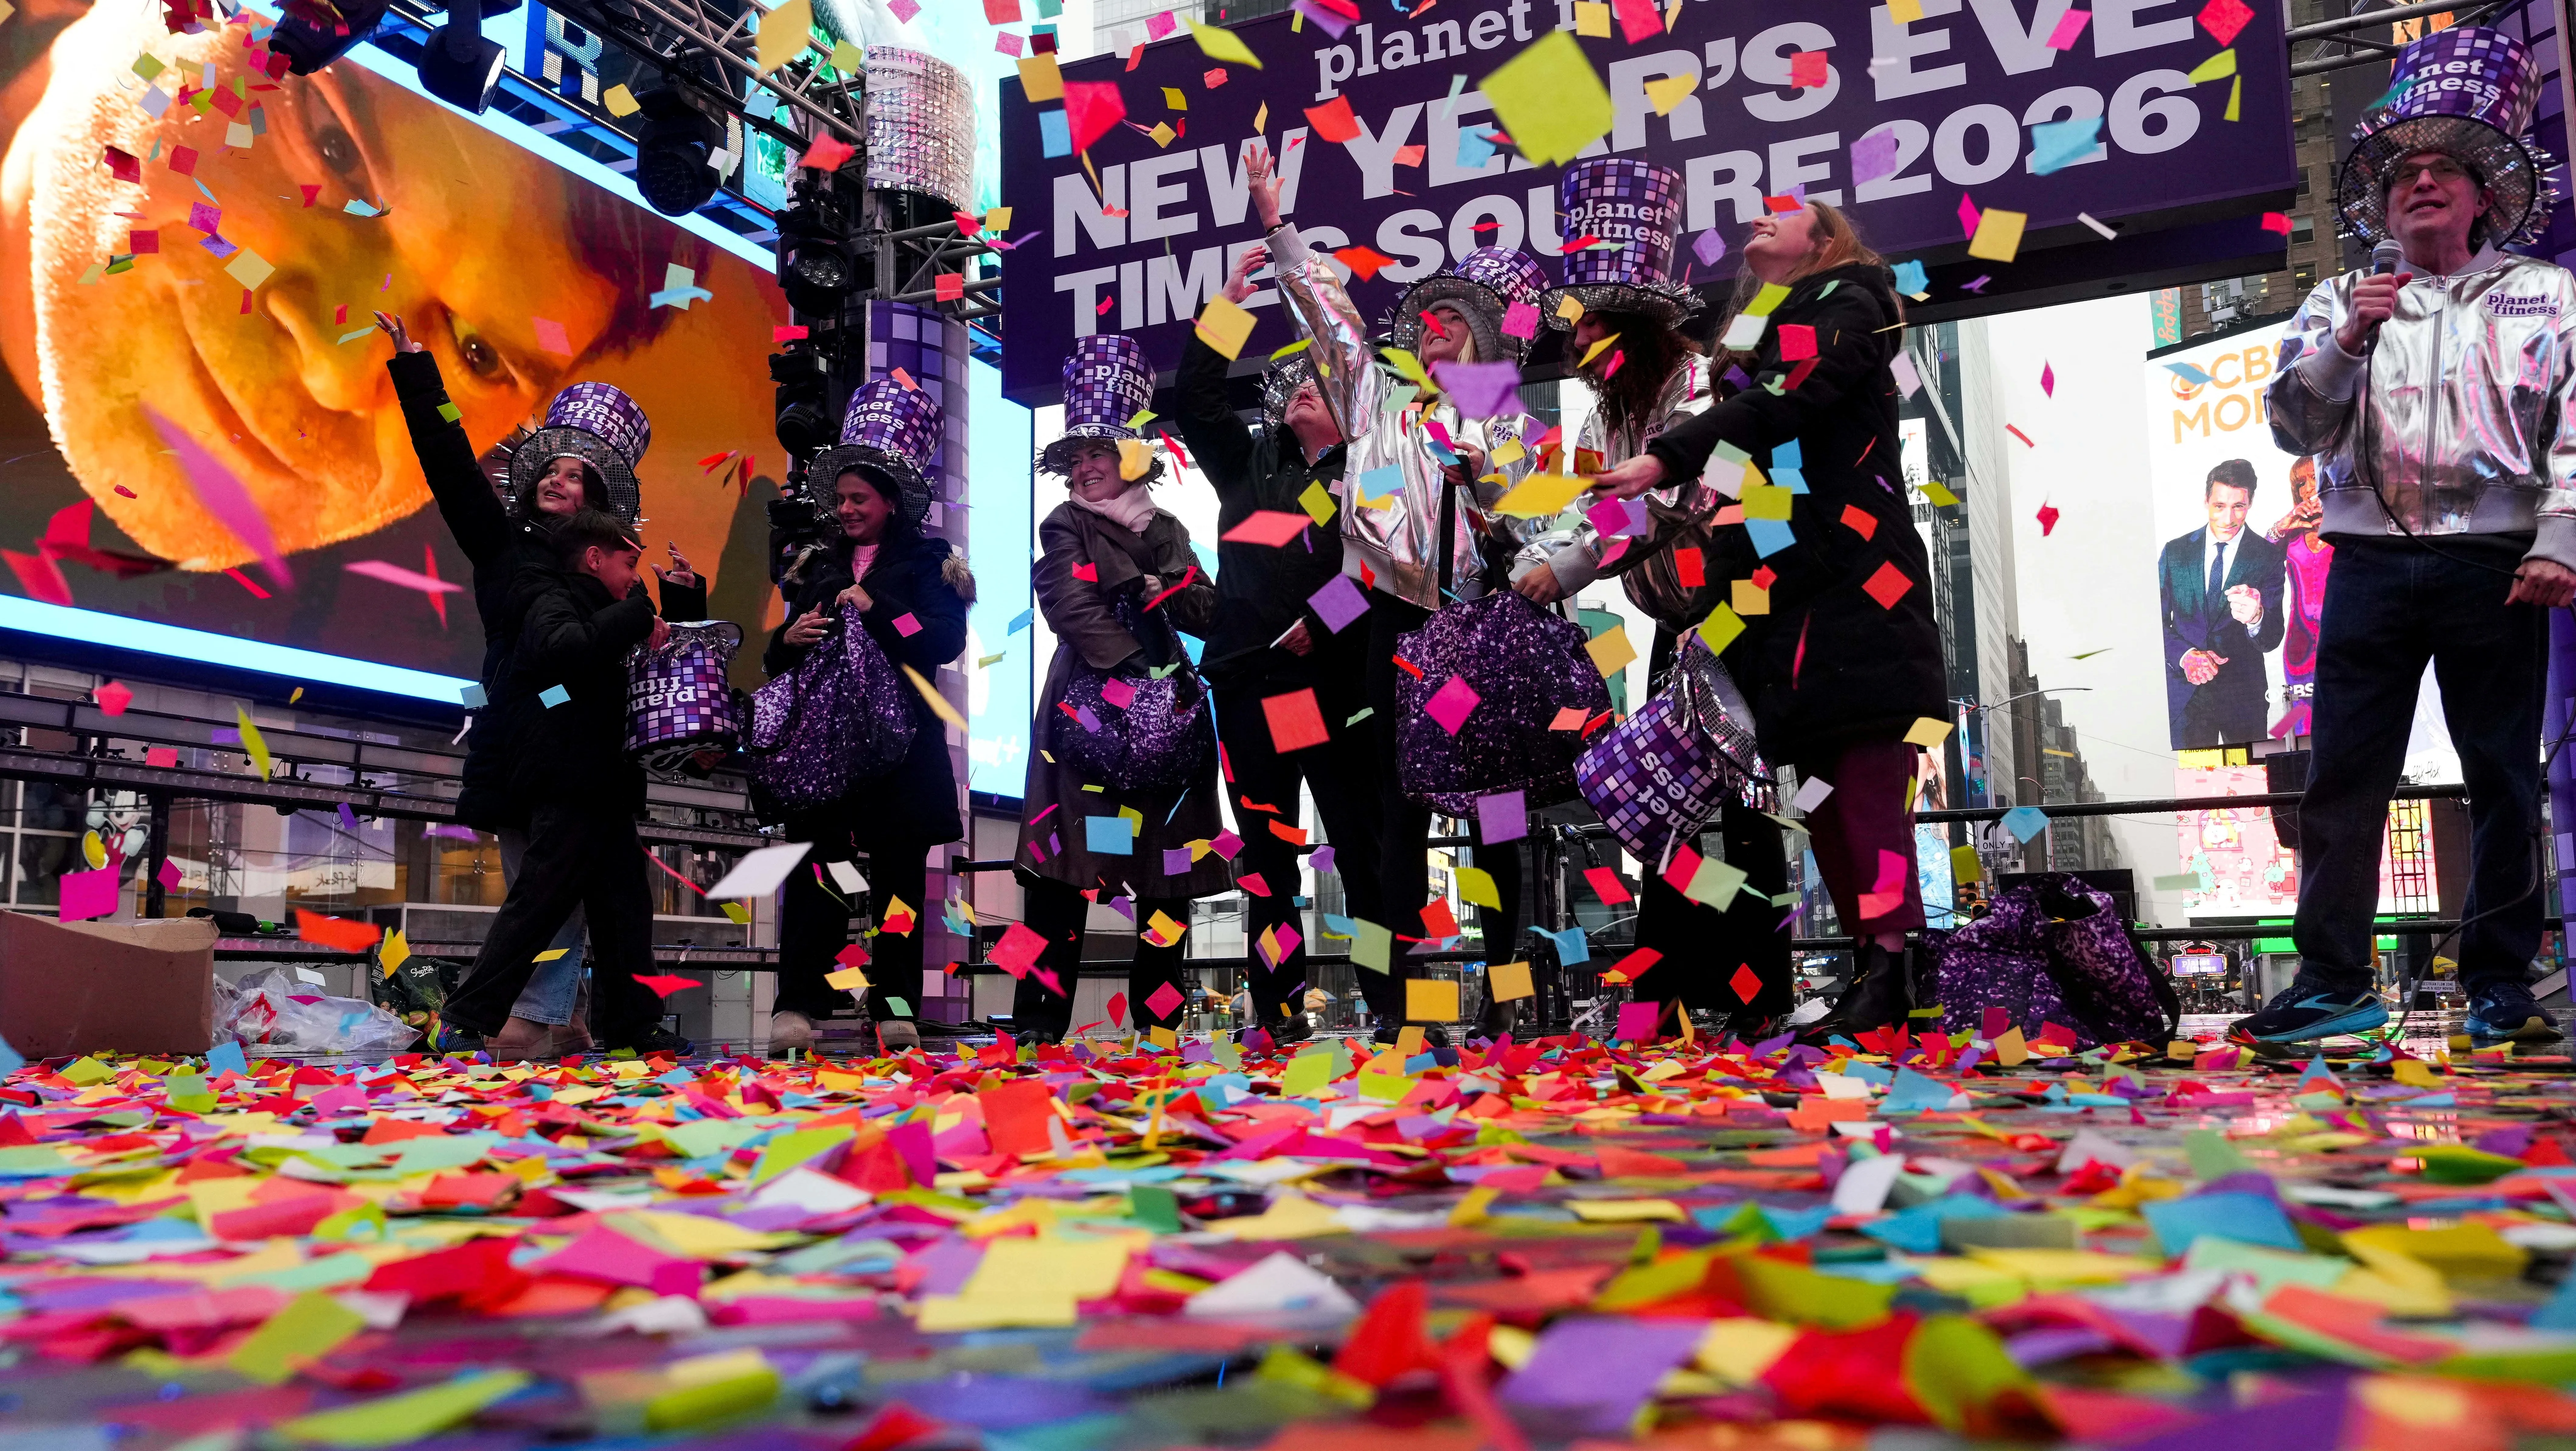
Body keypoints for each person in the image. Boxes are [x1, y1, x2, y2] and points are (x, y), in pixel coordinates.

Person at [2244, 24, 2576, 1048]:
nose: (2420, 184)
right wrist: (2348, 341)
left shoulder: (2546, 296)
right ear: (2380, 207)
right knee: (2342, 775)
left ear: (2482, 196)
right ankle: (2334, 980)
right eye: (2402, 175)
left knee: (2499, 776)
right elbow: (2291, 426)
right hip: (2367, 567)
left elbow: (2571, 422)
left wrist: (2557, 535)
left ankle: (2499, 987)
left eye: (2443, 171)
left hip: (2495, 566)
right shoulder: (2337, 300)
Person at [1589, 194, 1946, 1043]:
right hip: (1788, 603)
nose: (1757, 218)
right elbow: (1741, 459)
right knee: (1823, 793)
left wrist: (1661, 459)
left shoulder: (1850, 302)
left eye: (1781, 212)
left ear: (1823, 240)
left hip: (1857, 590)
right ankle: (1875, 973)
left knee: (1864, 787)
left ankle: (1894, 967)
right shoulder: (1753, 329)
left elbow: (1781, 408)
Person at [1250, 147, 1549, 1041]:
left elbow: (1542, 534)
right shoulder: (1379, 408)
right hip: (1398, 638)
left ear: (1488, 336)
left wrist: (1496, 494)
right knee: (1396, 821)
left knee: (1497, 820)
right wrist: (1277, 225)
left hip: (1482, 637)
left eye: (1450, 321)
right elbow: (1371, 563)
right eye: (1423, 322)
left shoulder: (1514, 425)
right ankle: (1402, 1013)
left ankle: (1508, 1004)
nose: (1431, 331)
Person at [1505, 158, 1793, 1042]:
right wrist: (1529, 550)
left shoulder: (1702, 389)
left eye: (1592, 334)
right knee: (1660, 809)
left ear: (1632, 333)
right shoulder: (1601, 417)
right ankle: (1664, 999)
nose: (1579, 353)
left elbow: (1674, 501)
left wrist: (1573, 563)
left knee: (1743, 820)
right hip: (1672, 635)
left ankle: (1756, 998)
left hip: (1741, 615)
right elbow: (1585, 508)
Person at [381, 312, 699, 1058]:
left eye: (578, 477)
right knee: (545, 893)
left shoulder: (593, 569)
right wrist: (419, 373)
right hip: (533, 744)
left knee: (616, 896)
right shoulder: (503, 548)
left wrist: (674, 605)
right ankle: (513, 1016)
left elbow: (641, 655)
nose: (561, 478)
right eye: (552, 470)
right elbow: (452, 465)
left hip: (595, 755)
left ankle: (614, 1021)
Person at [1169, 244, 1377, 1047]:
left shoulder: (1371, 470)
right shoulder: (1249, 464)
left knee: (1357, 846)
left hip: (1324, 684)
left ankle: (1388, 1001)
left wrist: (1321, 618)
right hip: (1247, 685)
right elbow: (1194, 400)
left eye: (1312, 386)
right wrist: (1225, 309)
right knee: (1267, 855)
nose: (1295, 395)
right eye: (1288, 385)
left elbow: (1385, 565)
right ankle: (1276, 1008)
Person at [1011, 336, 1228, 1043]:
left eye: (1096, 455)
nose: (1082, 468)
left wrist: (1167, 589)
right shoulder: (1062, 523)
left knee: (1167, 873)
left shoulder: (1168, 530)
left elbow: (1206, 610)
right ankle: (1036, 1027)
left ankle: (1159, 1024)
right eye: (1075, 459)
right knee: (1061, 875)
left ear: (1131, 458)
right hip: (1089, 712)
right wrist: (1133, 666)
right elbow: (1068, 605)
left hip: (1168, 715)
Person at [761, 380, 972, 1053]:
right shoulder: (814, 561)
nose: (847, 509)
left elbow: (943, 640)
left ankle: (895, 1006)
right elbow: (782, 650)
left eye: (860, 499)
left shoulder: (932, 560)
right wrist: (781, 643)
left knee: (899, 879)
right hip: (824, 747)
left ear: (889, 503)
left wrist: (880, 611)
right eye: (841, 499)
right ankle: (797, 1005)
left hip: (902, 746)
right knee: (814, 872)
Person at [438, 510, 689, 1055]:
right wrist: (636, 613)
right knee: (539, 903)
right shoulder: (551, 599)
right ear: (594, 558)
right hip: (567, 779)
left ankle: (635, 1024)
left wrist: (677, 609)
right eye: (629, 564)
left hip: (605, 783)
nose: (634, 578)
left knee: (625, 910)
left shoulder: (608, 612)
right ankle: (465, 1015)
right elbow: (566, 654)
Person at [2157, 460, 2286, 749]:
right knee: (2191, 789)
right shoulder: (2176, 552)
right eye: (2219, 506)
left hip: (2244, 698)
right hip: (2184, 696)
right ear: (2206, 501)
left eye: (2238, 507)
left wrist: (2257, 617)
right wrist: (2186, 655)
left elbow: (2272, 637)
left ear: (2250, 502)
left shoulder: (2269, 557)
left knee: (2249, 786)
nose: (2228, 518)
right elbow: (2152, 622)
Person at [2268, 457, 2331, 740]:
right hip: (2300, 642)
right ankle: (2278, 752)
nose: (2307, 488)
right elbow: (2254, 561)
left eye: (2313, 478)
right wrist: (2283, 525)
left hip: (2343, 634)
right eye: (2300, 483)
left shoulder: (2348, 522)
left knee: (2345, 712)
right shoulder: (2290, 535)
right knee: (2299, 716)